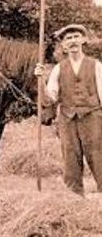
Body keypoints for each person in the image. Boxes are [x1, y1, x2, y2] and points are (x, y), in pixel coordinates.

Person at [35, 24, 102, 195]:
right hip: (67, 120)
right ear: (64, 45)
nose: (72, 41)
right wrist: (41, 81)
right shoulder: (58, 68)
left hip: (92, 118)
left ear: (83, 40)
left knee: (98, 157)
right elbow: (49, 98)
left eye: (75, 36)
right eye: (68, 38)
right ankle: (74, 200)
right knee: (71, 160)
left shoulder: (96, 65)